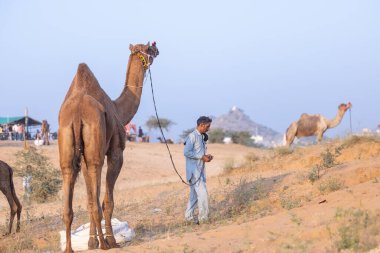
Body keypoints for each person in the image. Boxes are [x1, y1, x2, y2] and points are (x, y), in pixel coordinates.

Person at [184, 116, 213, 224]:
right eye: (207, 126)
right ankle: (203, 219)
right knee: (203, 194)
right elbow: (186, 152)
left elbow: (199, 153)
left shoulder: (201, 137)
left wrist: (207, 156)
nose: (208, 129)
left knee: (194, 196)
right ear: (201, 125)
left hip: (200, 171)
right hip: (194, 172)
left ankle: (188, 218)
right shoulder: (192, 136)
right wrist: (201, 156)